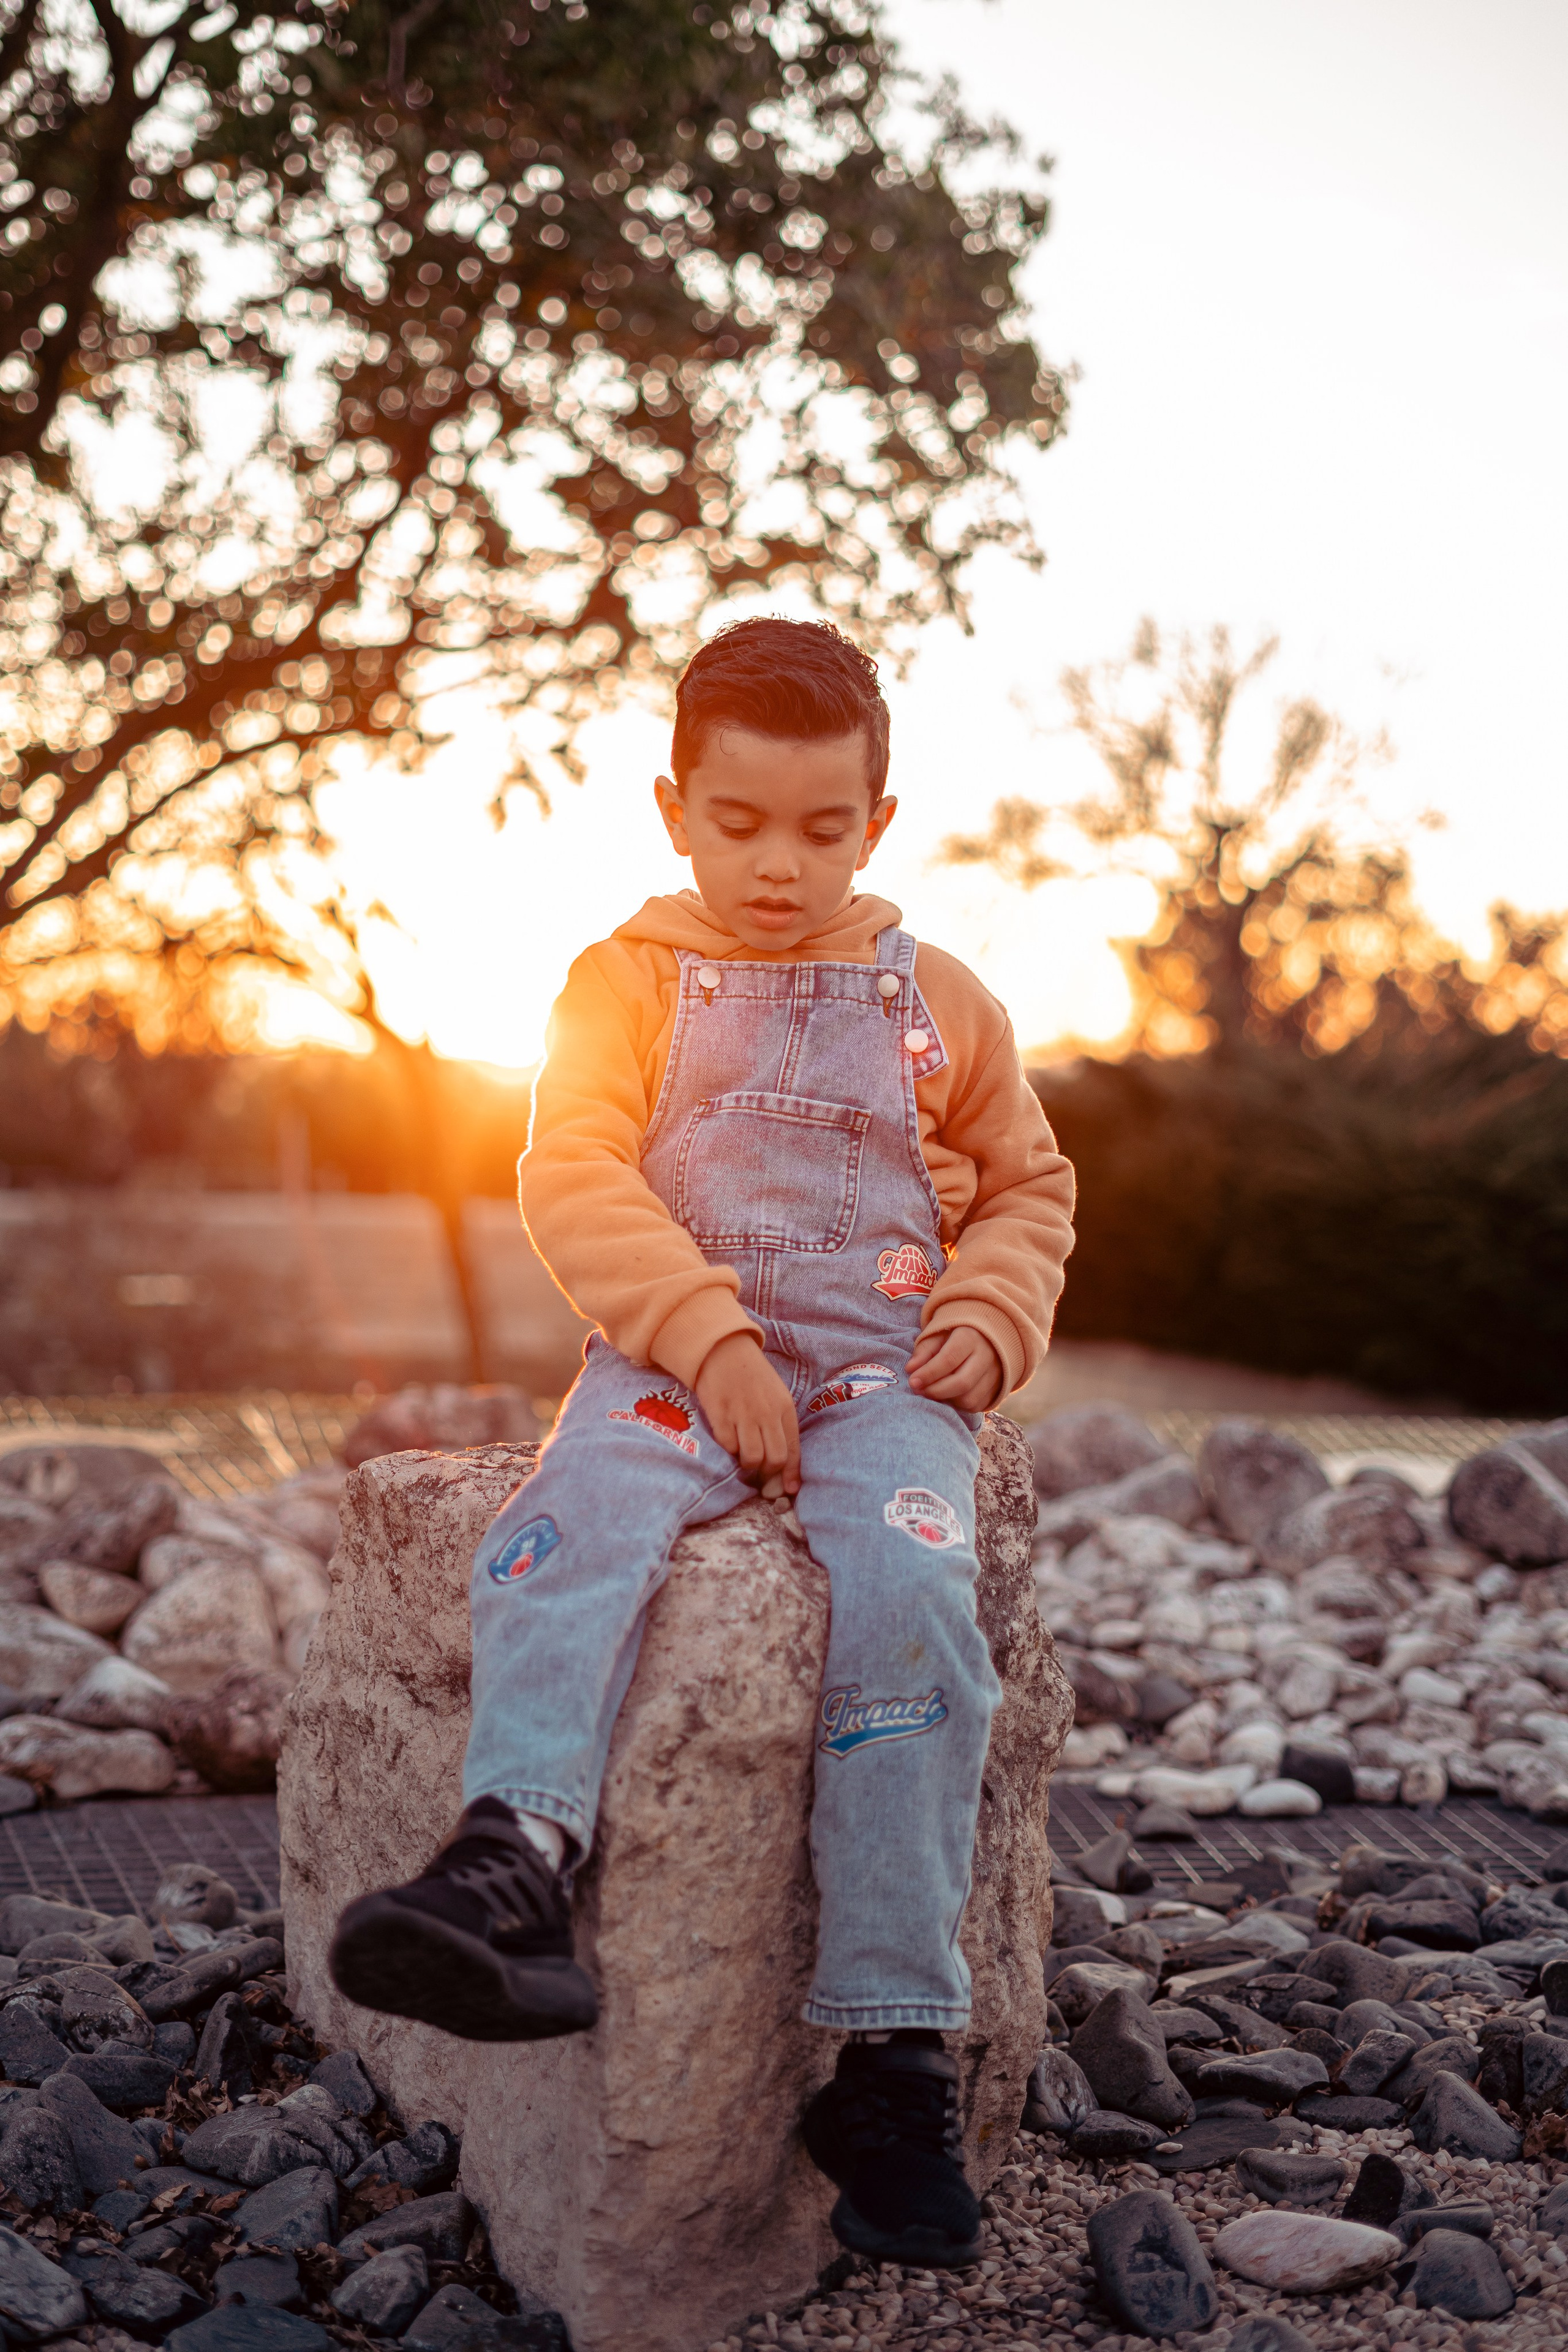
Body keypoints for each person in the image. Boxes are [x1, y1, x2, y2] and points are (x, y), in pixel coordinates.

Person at [330, 617, 1075, 2267]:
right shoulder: (626, 982)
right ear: (676, 807)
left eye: (822, 829)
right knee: (565, 1531)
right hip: (676, 1359)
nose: (779, 864)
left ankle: (891, 2062)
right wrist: (711, 1338)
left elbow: (1028, 1183)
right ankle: (510, 1863)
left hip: (889, 1372)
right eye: (738, 823)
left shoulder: (942, 1000)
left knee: (910, 1612)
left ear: (879, 822)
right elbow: (572, 1168)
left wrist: (994, 1318)